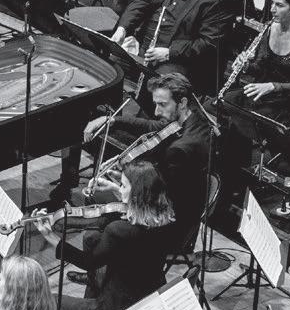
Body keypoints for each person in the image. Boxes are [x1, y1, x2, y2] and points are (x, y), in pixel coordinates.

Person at [36, 161, 175, 310]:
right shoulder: (165, 218)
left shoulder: (120, 230)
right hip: (147, 302)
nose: (120, 188)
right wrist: (117, 190)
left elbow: (87, 262)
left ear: (136, 194)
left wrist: (51, 236)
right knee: (92, 244)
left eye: (124, 185)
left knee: (48, 303)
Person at [73, 73, 213, 259]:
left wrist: (121, 186)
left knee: (96, 215)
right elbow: (154, 126)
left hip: (169, 221)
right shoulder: (195, 119)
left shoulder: (180, 149)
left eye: (162, 104)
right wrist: (113, 120)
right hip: (182, 201)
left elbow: (159, 201)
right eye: (156, 104)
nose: (156, 111)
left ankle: (104, 263)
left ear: (182, 102)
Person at [113, 0, 238, 95]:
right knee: (111, 63)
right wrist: (123, 28)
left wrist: (168, 53)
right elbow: (143, 1)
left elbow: (208, 44)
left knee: (161, 86)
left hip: (179, 60)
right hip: (146, 46)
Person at [221, 0, 290, 126]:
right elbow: (260, 67)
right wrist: (246, 66)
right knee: (218, 105)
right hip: (260, 92)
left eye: (279, 5)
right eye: (272, 3)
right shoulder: (270, 26)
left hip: (285, 103)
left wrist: (273, 86)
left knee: (240, 122)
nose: (272, 9)